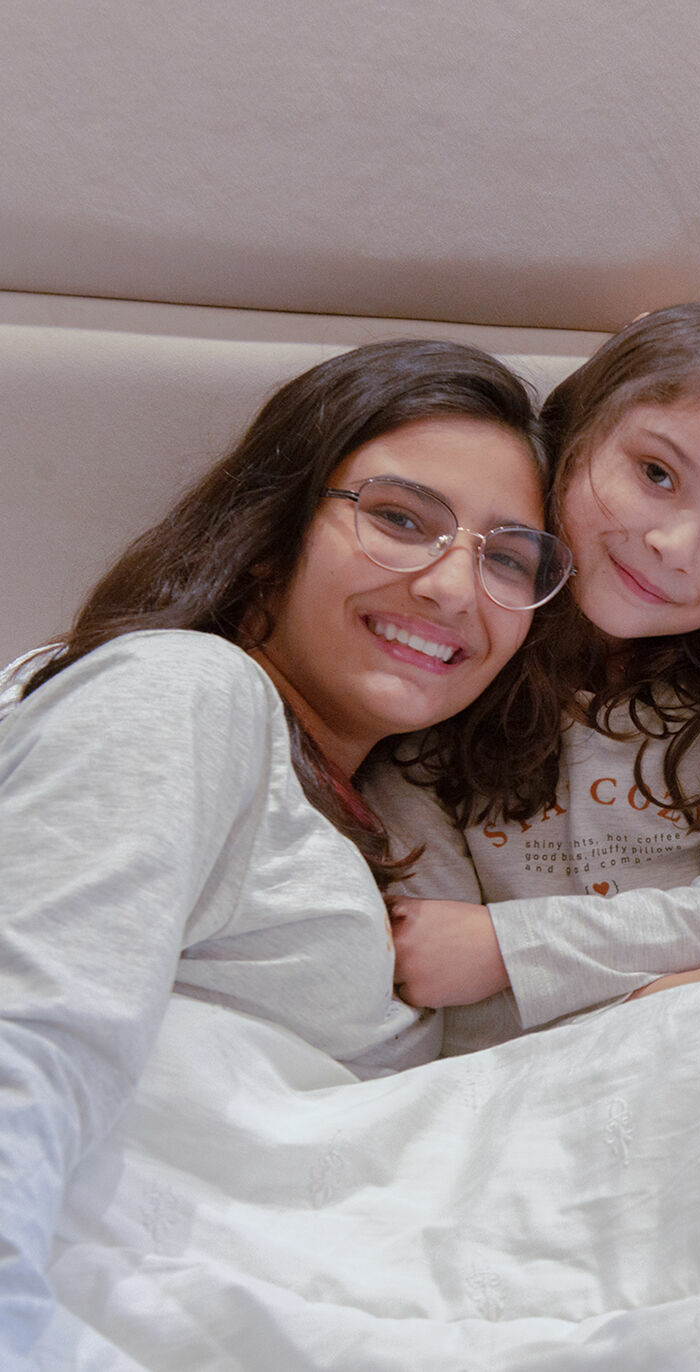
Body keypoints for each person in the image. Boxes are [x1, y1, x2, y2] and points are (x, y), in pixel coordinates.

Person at [0, 338, 567, 1351]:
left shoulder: (403, 824)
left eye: (507, 558)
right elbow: (30, 1031)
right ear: (271, 532)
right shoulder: (185, 690)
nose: (454, 587)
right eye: (401, 519)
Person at [369, 305, 700, 1051]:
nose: (675, 546)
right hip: (518, 1085)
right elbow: (433, 975)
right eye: (656, 473)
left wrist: (509, 949)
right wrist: (676, 981)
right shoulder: (454, 636)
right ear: (576, 432)